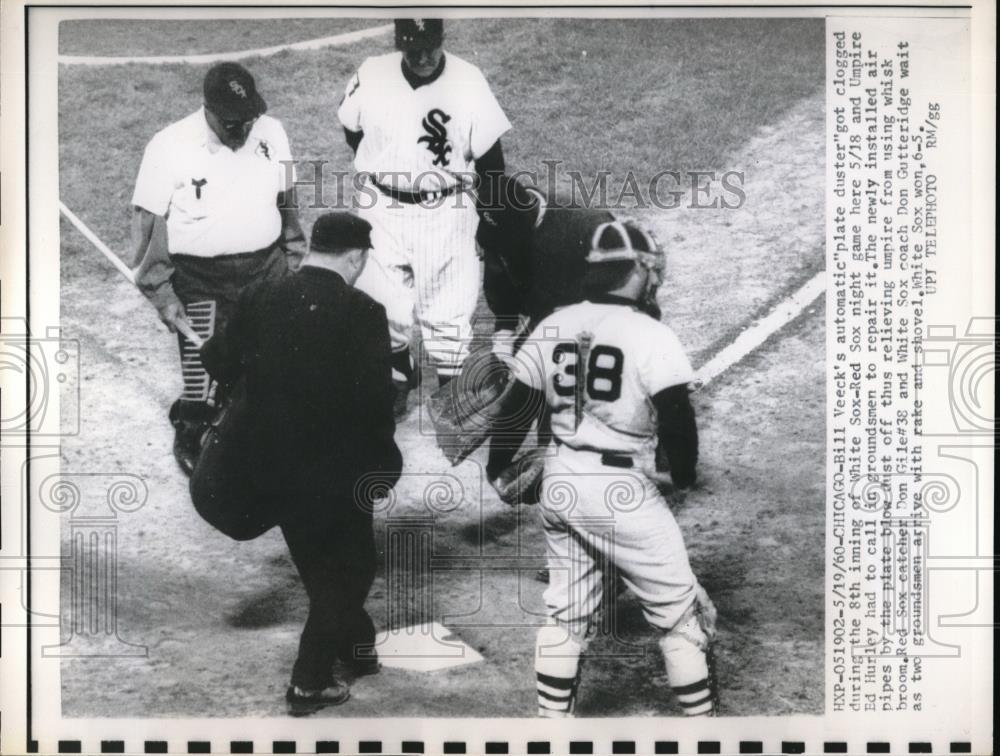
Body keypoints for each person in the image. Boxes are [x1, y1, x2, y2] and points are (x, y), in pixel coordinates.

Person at [486, 220, 719, 717]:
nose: (656, 279)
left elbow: (515, 408)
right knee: (681, 619)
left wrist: (498, 468)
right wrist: (681, 478)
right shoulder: (650, 334)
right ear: (636, 270)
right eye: (651, 270)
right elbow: (678, 419)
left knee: (565, 615)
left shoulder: (552, 323)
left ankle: (553, 731)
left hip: (561, 479)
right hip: (622, 491)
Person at [197, 212, 402, 716]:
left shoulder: (258, 296)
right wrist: (383, 465)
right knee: (351, 571)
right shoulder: (362, 311)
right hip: (331, 473)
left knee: (317, 559)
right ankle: (309, 681)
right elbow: (376, 402)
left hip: (263, 467)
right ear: (355, 258)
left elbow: (218, 363)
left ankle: (357, 647)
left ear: (313, 248)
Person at [130, 61, 306, 475]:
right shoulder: (169, 145)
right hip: (199, 278)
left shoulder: (272, 132)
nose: (242, 130)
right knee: (201, 365)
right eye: (231, 122)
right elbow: (148, 224)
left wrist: (295, 257)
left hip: (266, 269)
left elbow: (288, 203)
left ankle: (264, 427)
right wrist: (161, 292)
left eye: (248, 120)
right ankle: (191, 425)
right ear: (206, 109)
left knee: (272, 358)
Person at [337, 18, 511, 417]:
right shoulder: (372, 72)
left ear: (442, 38)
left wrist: (491, 218)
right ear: (398, 41)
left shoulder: (468, 80)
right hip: (383, 205)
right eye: (410, 47)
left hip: (447, 209)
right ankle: (400, 372)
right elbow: (352, 128)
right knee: (381, 302)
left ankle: (450, 392)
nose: (420, 56)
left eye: (428, 46)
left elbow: (491, 160)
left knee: (449, 304)